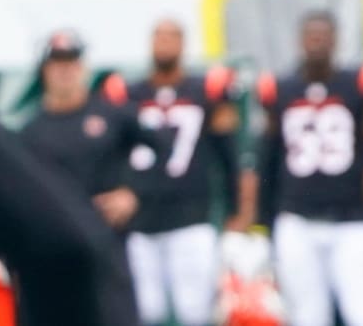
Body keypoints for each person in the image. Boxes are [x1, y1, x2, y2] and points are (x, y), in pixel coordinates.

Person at [257, 11, 363, 326]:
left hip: (352, 219)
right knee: (307, 316)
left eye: (323, 36)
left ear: (336, 40)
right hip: (296, 218)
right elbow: (265, 159)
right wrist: (260, 224)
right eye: (311, 36)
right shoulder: (280, 89)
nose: (317, 43)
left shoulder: (357, 85)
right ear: (299, 41)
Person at [16, 30, 154, 325]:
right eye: (57, 63)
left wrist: (133, 191)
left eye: (71, 62)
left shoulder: (113, 116)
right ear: (44, 70)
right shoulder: (31, 132)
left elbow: (165, 151)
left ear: (83, 67)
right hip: (58, 251)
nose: (65, 70)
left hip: (112, 245)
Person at [123, 19, 246, 326]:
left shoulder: (206, 90)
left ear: (183, 44)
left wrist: (236, 212)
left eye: (171, 37)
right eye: (159, 36)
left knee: (195, 311)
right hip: (141, 219)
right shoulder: (127, 93)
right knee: (145, 311)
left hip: (191, 217)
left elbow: (229, 156)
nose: (164, 43)